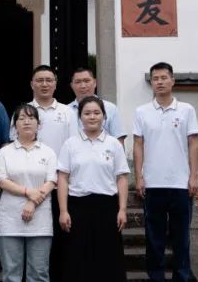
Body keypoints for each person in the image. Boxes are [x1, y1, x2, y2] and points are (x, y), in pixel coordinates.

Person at [133, 62, 198, 282]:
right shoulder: (141, 112)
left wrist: (193, 176)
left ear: (172, 80)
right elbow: (138, 145)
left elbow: (193, 144)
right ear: (151, 83)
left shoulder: (186, 110)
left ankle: (181, 277)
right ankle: (156, 278)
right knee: (154, 239)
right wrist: (139, 177)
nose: (160, 82)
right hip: (153, 184)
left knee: (182, 238)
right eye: (155, 78)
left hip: (181, 184)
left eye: (164, 77)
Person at [57, 96, 129, 282]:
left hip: (107, 206)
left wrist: (122, 209)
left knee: (108, 256)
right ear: (80, 117)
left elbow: (121, 177)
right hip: (77, 206)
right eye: (87, 113)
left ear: (104, 116)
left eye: (97, 113)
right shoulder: (70, 144)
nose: (92, 117)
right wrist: (63, 210)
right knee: (77, 256)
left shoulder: (113, 144)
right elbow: (62, 178)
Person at [0, 103, 57, 282]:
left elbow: (52, 181)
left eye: (31, 118)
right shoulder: (5, 152)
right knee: (11, 273)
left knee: (38, 273)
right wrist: (28, 192)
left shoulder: (48, 152)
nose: (26, 122)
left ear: (39, 124)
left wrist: (32, 202)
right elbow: (2, 180)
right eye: (21, 118)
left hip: (40, 219)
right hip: (10, 218)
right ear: (15, 125)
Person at [67, 67, 126, 146]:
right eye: (78, 82)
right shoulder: (66, 110)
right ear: (72, 85)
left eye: (87, 81)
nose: (83, 86)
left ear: (95, 83)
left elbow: (119, 141)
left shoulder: (110, 108)